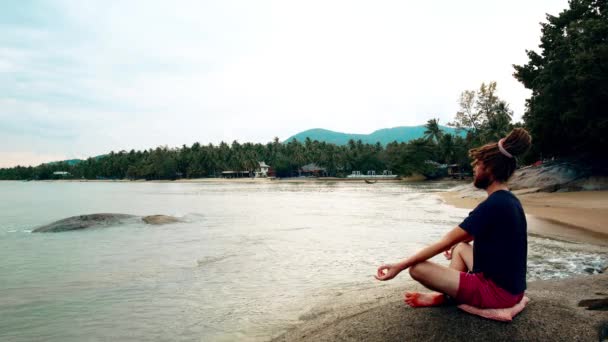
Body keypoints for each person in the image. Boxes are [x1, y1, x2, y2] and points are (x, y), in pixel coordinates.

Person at [375, 128, 532, 309]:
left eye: (477, 163)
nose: (474, 168)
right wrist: (454, 244)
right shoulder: (509, 200)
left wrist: (399, 266)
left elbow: (445, 241)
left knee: (417, 268)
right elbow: (469, 237)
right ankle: (446, 296)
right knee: (460, 248)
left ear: (490, 168)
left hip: (496, 294)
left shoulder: (493, 205)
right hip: (511, 290)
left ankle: (445, 298)